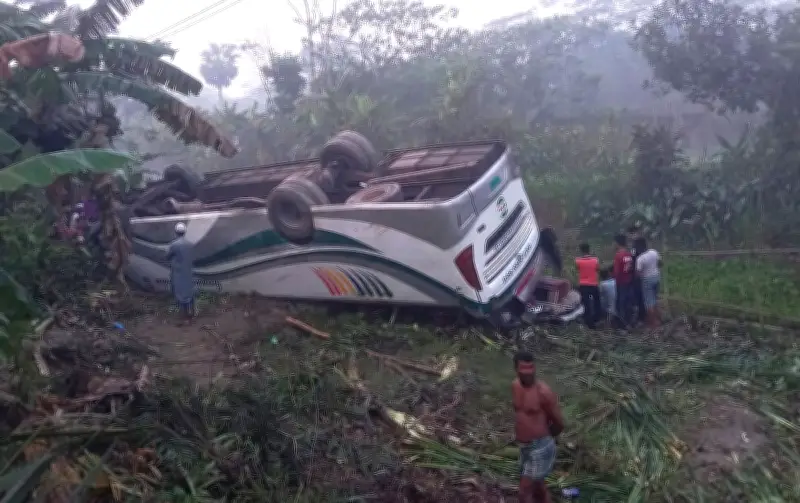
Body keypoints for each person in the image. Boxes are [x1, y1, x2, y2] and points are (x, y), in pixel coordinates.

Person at [512, 351, 564, 503]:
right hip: (525, 446)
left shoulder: (543, 392)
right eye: (523, 371)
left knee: (524, 492)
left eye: (531, 370)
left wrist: (543, 437)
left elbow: (559, 422)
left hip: (540, 447)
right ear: (516, 369)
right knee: (538, 486)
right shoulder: (515, 386)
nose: (528, 374)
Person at [166, 222, 195, 324]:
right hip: (187, 271)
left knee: (180, 292)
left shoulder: (174, 245)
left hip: (178, 272)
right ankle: (191, 313)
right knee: (189, 291)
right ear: (184, 232)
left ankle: (184, 316)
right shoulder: (189, 244)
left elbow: (168, 256)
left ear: (176, 232)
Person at [634, 237, 662, 327]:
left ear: (639, 246)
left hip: (647, 280)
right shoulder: (654, 252)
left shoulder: (640, 258)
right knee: (655, 299)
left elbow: (637, 273)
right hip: (656, 277)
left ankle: (653, 323)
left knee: (649, 303)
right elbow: (661, 263)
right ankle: (658, 319)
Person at [575, 243, 601, 329]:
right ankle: (597, 319)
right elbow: (597, 269)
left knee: (586, 304)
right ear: (589, 249)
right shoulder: (595, 260)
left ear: (581, 251)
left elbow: (577, 269)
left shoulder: (578, 261)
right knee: (597, 303)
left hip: (583, 285)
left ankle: (588, 322)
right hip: (594, 284)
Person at [612, 233, 634, 329]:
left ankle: (621, 324)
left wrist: (615, 281)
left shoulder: (618, 255)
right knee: (628, 302)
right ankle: (629, 322)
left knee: (620, 303)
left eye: (614, 243)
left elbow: (617, 272)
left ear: (618, 243)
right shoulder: (628, 254)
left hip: (621, 283)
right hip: (628, 281)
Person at [627, 225, 647, 325]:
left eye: (630, 235)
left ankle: (641, 317)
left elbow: (635, 257)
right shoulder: (642, 242)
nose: (630, 237)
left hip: (638, 273)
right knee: (641, 295)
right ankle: (642, 316)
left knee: (639, 295)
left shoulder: (637, 243)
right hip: (643, 272)